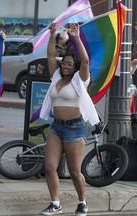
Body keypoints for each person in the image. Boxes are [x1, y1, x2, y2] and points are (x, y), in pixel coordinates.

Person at [39, 22, 99, 216]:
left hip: (75, 129)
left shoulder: (79, 81)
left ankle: (82, 202)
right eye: (63, 63)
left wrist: (76, 36)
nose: (65, 66)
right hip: (57, 128)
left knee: (74, 171)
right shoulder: (56, 76)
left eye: (69, 64)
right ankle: (55, 203)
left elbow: (86, 60)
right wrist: (53, 34)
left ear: (75, 68)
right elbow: (49, 55)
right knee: (49, 167)